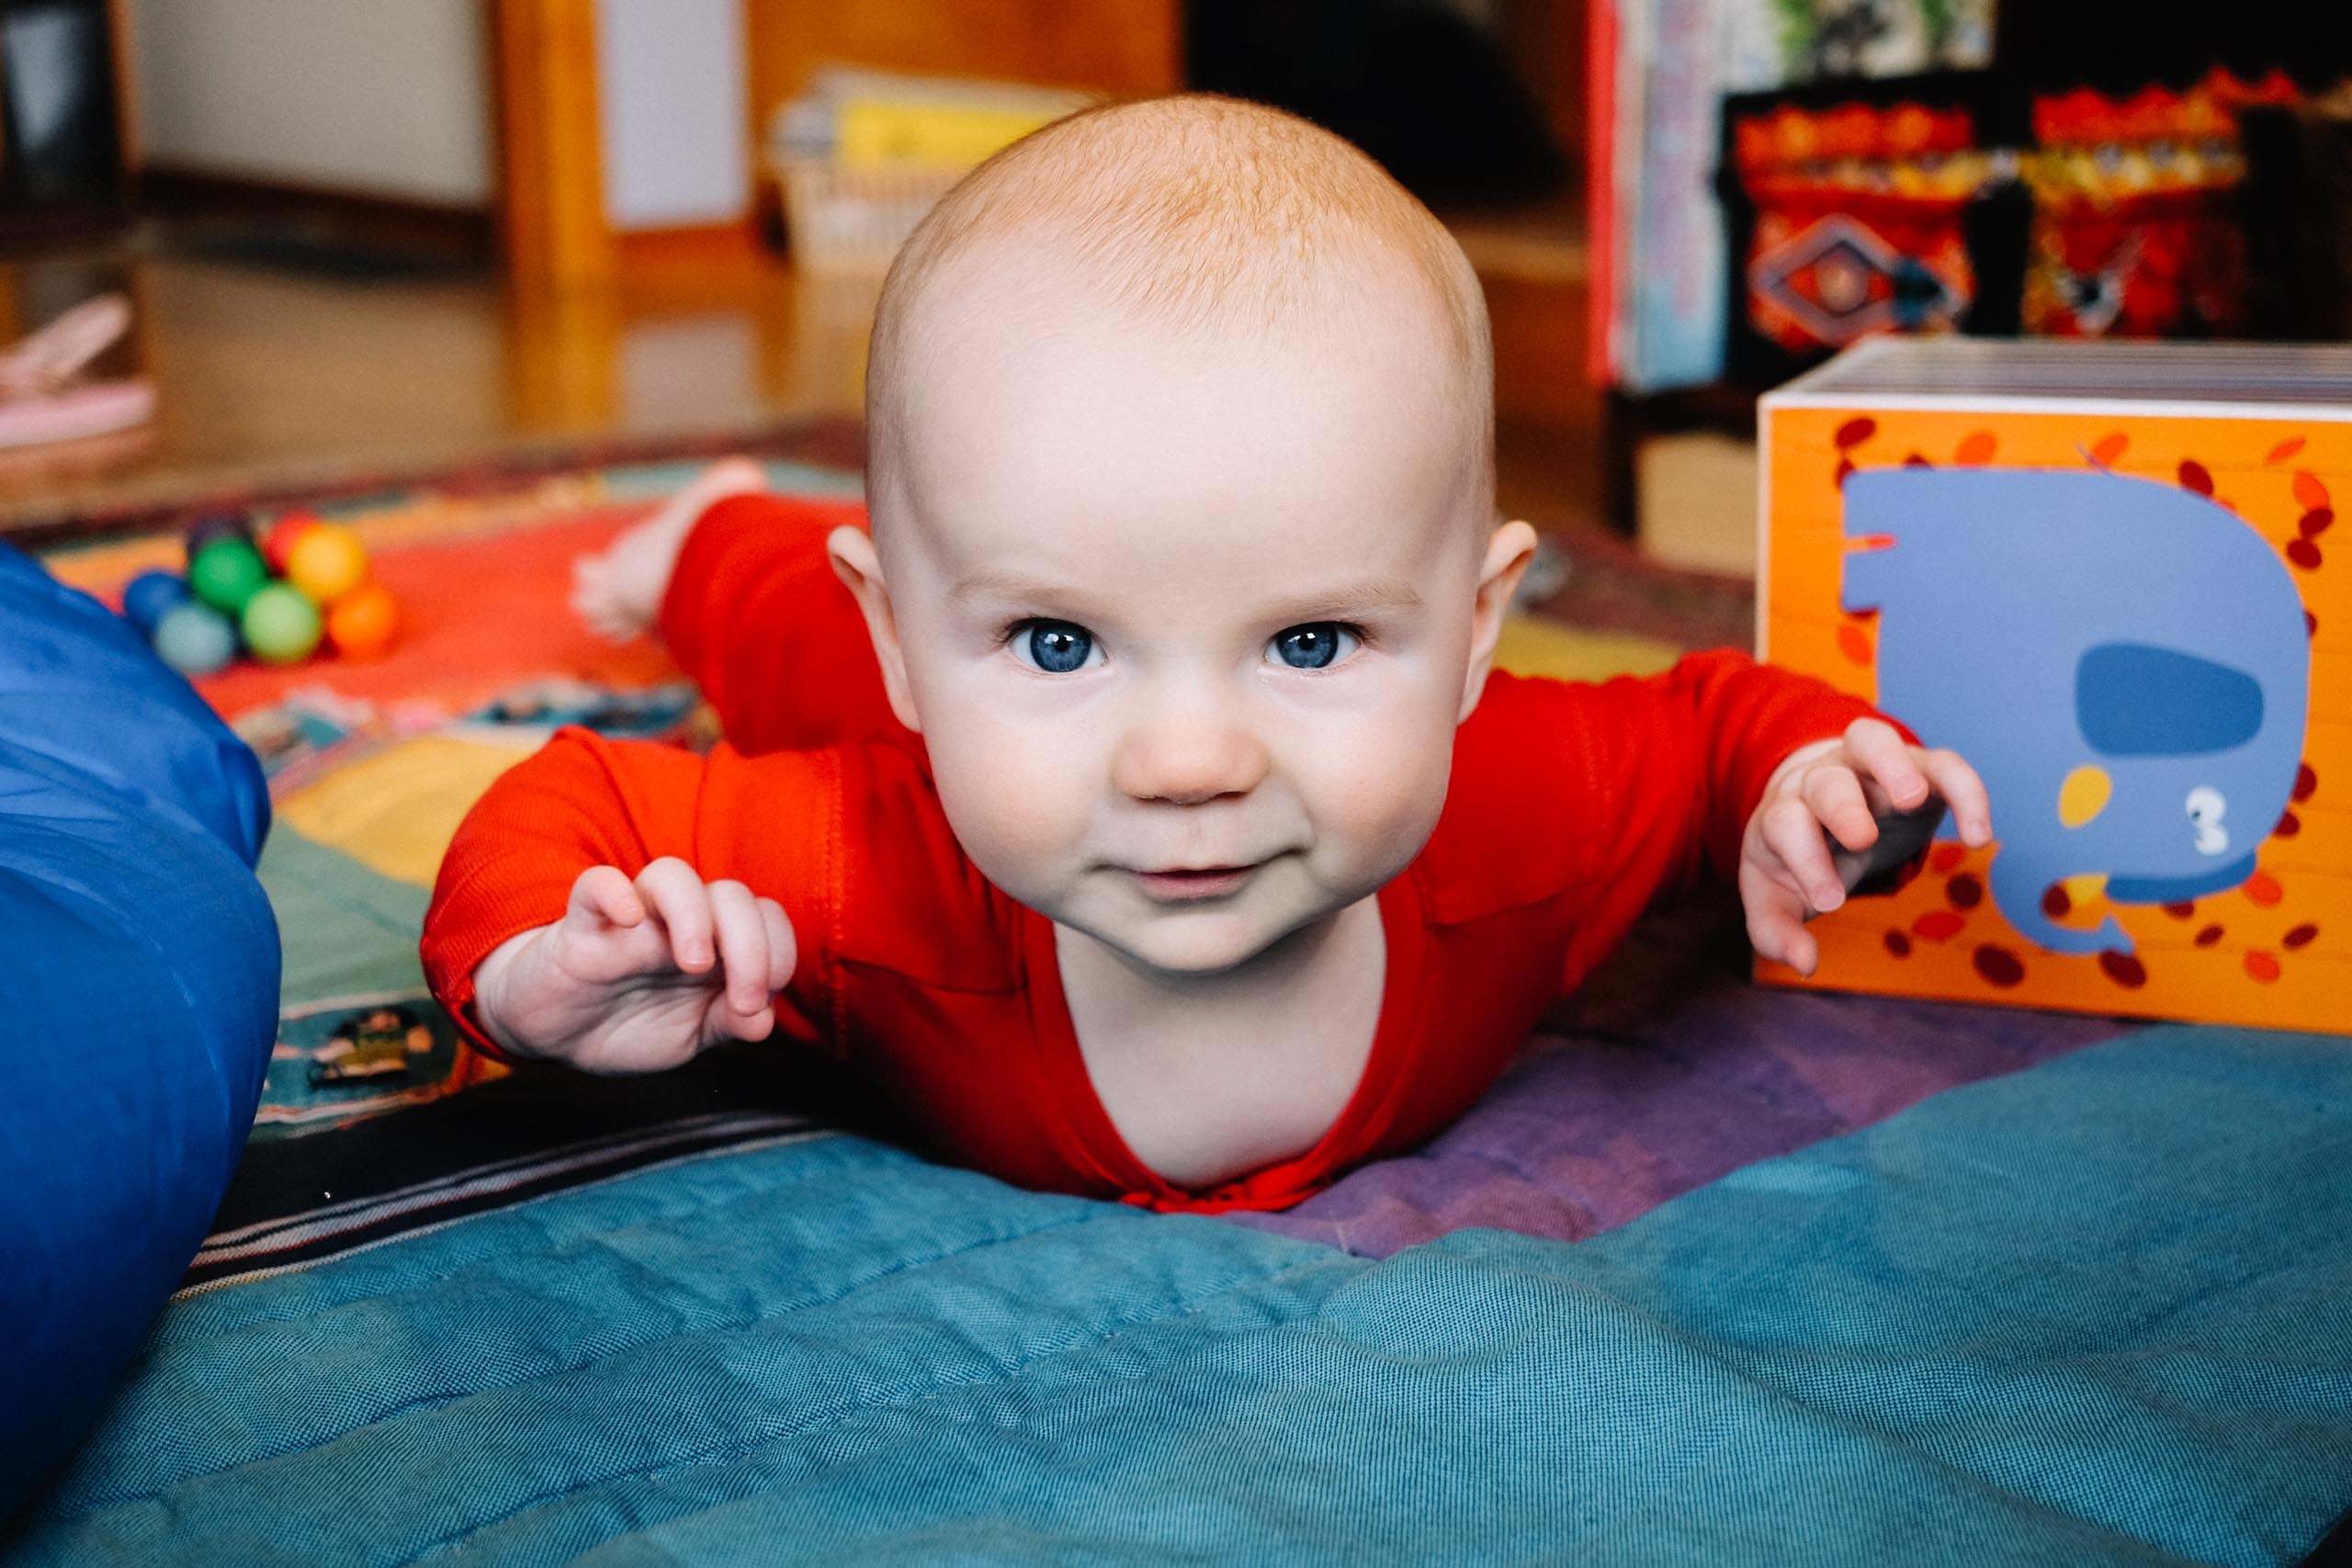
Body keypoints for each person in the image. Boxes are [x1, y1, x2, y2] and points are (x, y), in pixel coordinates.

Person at [422, 96, 1989, 1213]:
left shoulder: (1532, 802)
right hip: (883, 722)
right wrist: (541, 969)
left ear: (1477, 635)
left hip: (980, 697)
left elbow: (1712, 727)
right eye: (1059, 640)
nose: (1187, 765)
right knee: (769, 621)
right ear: (905, 637)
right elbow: (564, 812)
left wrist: (1809, 776)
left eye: (1308, 638)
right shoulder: (847, 864)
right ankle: (705, 531)